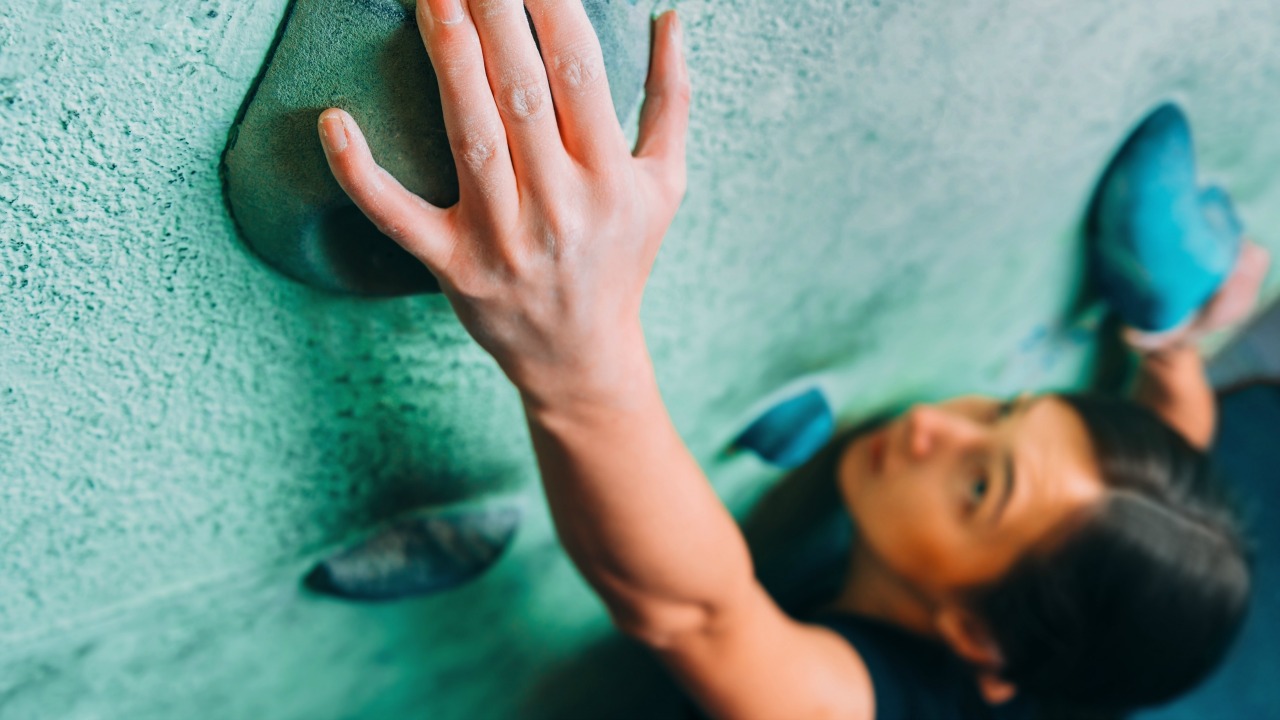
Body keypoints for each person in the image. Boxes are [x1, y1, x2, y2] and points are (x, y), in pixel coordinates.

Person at [313, 2, 1269, 717]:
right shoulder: (1076, 570)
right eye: (1004, 411)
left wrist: (579, 356)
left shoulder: (845, 705)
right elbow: (1178, 433)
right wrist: (1175, 336)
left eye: (979, 487)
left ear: (974, 636)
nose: (935, 427)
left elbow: (698, 616)